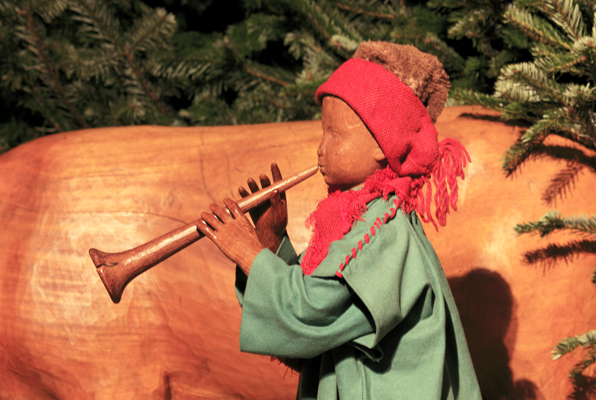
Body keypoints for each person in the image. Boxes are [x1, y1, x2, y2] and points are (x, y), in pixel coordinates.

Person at [197, 41, 482, 399]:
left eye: (335, 133)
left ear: (382, 143)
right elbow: (313, 334)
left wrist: (249, 253)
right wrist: (271, 240)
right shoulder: (359, 219)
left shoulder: (384, 231)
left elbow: (311, 312)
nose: (321, 147)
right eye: (322, 131)